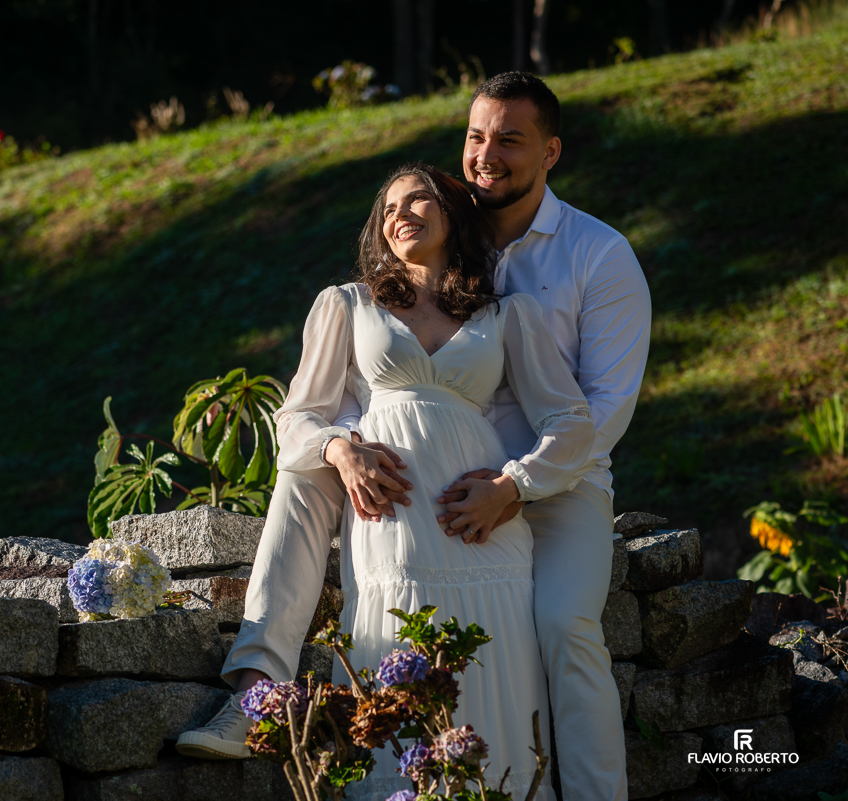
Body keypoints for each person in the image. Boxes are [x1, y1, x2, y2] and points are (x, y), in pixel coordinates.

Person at [178, 72, 651, 801]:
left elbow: (600, 412)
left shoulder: (595, 255)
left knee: (564, 625)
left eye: (510, 140)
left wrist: (515, 484)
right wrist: (343, 444)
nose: (487, 153)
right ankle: (257, 687)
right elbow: (306, 412)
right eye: (475, 137)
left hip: (549, 489)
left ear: (550, 152)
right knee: (308, 466)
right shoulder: (363, 295)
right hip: (416, 490)